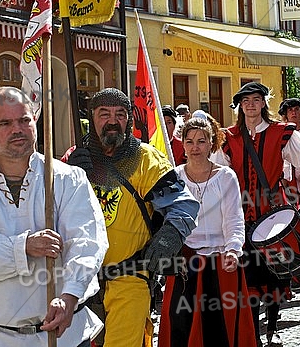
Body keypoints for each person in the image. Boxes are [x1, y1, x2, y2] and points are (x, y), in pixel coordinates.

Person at [0, 87, 108, 346]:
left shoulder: (67, 179)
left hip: (66, 336)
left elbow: (88, 243)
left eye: (24, 120)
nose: (16, 129)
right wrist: (23, 247)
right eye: (5, 123)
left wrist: (70, 295)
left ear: (35, 120)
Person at [63, 88, 199, 347]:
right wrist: (68, 177)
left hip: (130, 277)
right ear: (91, 118)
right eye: (104, 114)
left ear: (128, 120)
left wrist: (168, 236)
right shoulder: (74, 158)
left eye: (120, 114)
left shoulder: (145, 159)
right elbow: (52, 212)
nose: (112, 121)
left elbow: (184, 205)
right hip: (80, 282)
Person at [222, 82, 300, 347]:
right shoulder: (228, 137)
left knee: (276, 273)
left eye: (256, 99)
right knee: (251, 275)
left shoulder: (282, 132)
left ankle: (273, 328)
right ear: (240, 106)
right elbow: (215, 172)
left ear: (263, 103)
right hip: (242, 215)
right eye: (246, 101)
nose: (251, 105)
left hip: (274, 213)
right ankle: (254, 333)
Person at [158, 117, 257, 346]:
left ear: (211, 144)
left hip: (220, 262)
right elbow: (167, 222)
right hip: (184, 263)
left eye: (201, 141)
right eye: (190, 141)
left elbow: (234, 218)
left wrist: (233, 249)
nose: (195, 147)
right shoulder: (174, 178)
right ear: (182, 144)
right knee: (180, 327)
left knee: (219, 329)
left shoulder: (225, 177)